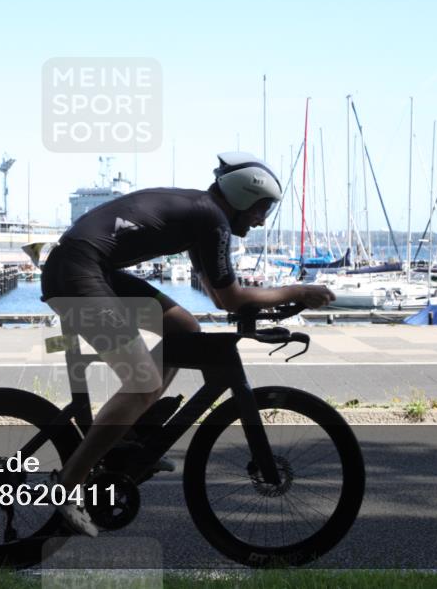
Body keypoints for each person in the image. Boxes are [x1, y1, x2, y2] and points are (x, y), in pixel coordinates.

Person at [40, 152, 336, 537]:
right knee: (144, 382)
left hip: (86, 266)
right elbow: (232, 298)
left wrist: (271, 300)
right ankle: (68, 485)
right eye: (261, 209)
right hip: (77, 271)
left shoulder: (204, 215)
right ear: (243, 196)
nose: (262, 220)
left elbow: (219, 296)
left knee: (183, 328)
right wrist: (296, 291)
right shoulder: (212, 218)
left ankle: (129, 435)